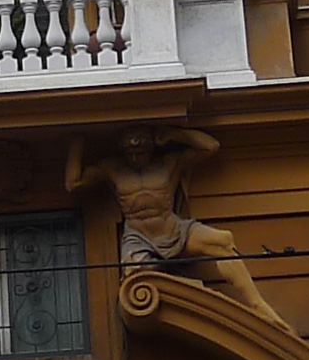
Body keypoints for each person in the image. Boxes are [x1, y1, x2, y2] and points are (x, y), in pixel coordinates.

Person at [68, 126, 279, 321]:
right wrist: (77, 141)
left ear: (151, 148)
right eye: (130, 153)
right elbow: (73, 183)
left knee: (222, 241)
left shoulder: (169, 163)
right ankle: (181, 286)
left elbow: (211, 146)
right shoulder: (112, 169)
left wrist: (175, 134)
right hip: (139, 237)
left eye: (140, 152)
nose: (135, 157)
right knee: (136, 273)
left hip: (174, 229)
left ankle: (257, 304)